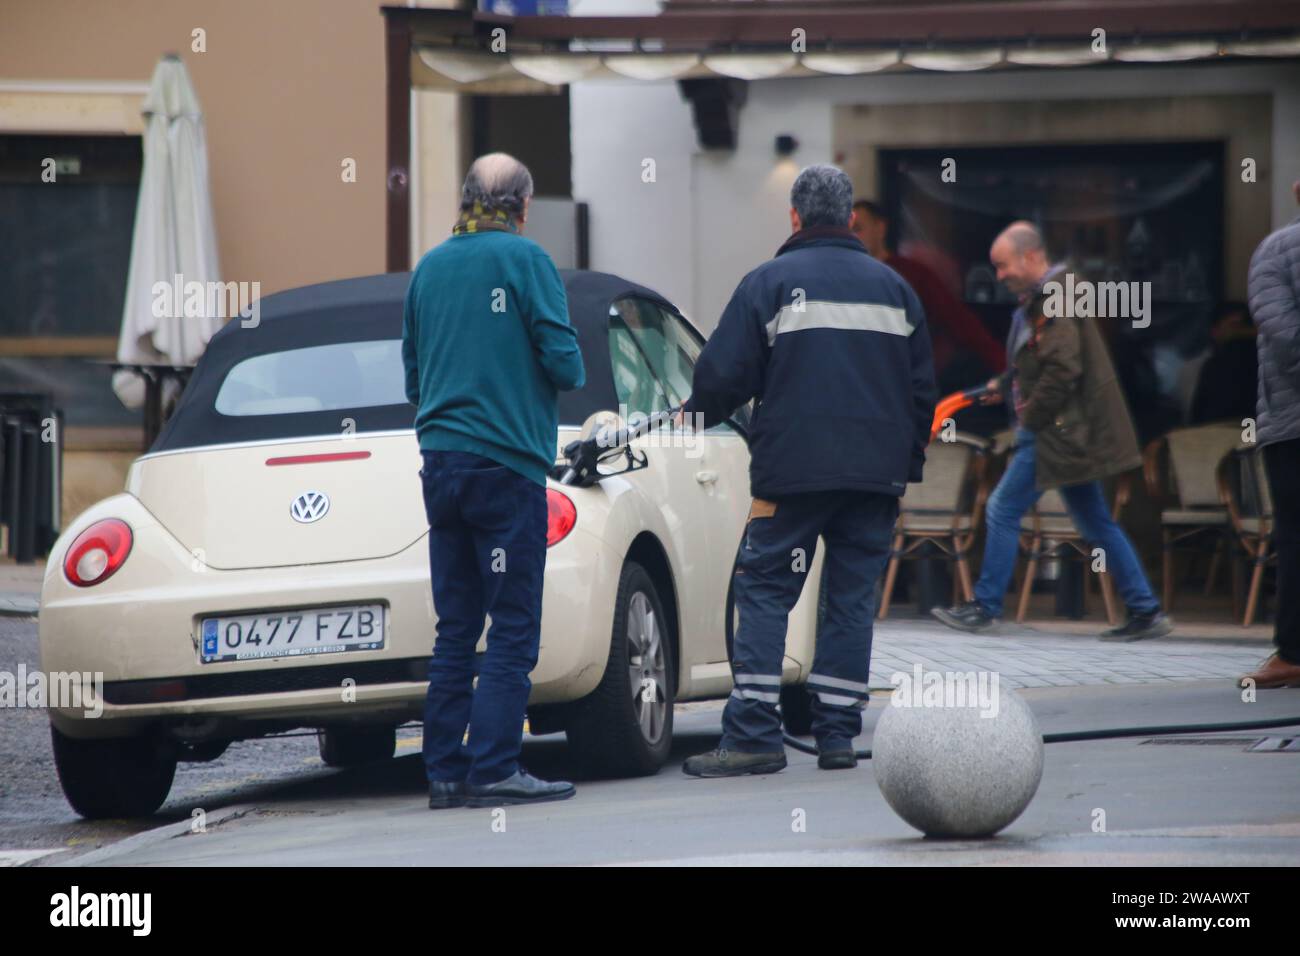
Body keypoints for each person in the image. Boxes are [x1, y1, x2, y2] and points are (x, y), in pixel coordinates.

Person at [678, 164, 937, 777]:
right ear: (851, 219)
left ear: (794, 217)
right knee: (849, 601)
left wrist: (697, 417)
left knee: (765, 591)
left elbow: (719, 378)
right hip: (873, 480)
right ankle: (838, 737)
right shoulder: (895, 290)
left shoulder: (769, 283)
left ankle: (753, 737)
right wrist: (903, 465)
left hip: (791, 475)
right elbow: (922, 390)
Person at [402, 153, 586, 808]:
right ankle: (496, 767)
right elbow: (566, 365)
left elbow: (414, 379)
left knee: (456, 624)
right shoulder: (526, 261)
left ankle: (445, 773)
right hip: (505, 468)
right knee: (511, 624)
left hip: (441, 465)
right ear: (523, 206)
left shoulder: (429, 268)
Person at [931, 221, 1172, 641]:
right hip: (1064, 432)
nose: (999, 275)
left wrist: (1031, 418)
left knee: (1002, 508)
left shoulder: (1057, 295)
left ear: (1030, 256)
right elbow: (1042, 365)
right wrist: (1004, 386)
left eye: (1002, 266)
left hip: (1051, 432)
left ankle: (985, 606)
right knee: (1096, 521)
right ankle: (1146, 610)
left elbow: (1062, 370)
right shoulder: (1052, 294)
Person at [1238, 181, 1300, 689]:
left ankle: (1295, 653)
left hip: (1292, 425)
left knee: (1295, 534)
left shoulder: (1275, 250)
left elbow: (1284, 341)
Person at [851, 199, 1005, 391]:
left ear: (880, 228)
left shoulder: (912, 275)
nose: (852, 237)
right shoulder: (843, 278)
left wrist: (1002, 366)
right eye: (847, 231)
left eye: (857, 228)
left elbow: (958, 321)